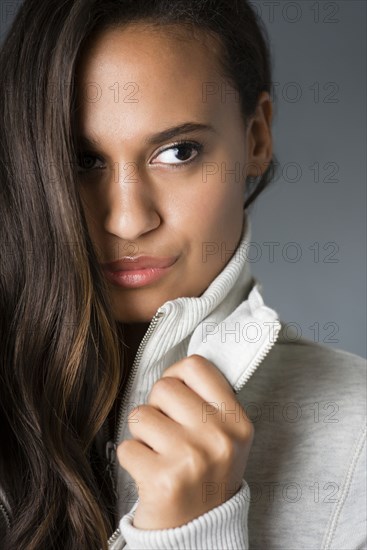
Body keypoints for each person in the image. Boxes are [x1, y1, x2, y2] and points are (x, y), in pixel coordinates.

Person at [0, 0, 365, 549]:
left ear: (257, 139)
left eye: (179, 151)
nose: (127, 219)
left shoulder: (358, 429)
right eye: (82, 160)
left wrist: (196, 533)